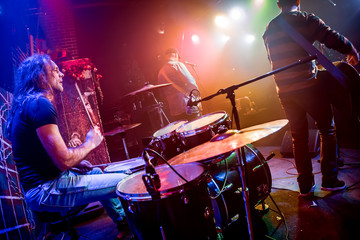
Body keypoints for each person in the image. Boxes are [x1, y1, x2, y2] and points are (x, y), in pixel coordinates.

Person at [5, 54, 130, 239]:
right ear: (41, 77)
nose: (61, 74)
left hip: (40, 188)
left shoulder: (26, 105)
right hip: (46, 190)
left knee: (95, 173)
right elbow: (63, 161)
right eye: (55, 70)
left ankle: (123, 223)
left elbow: (41, 155)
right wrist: (90, 143)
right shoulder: (40, 104)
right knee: (126, 181)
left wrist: (77, 164)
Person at [263, 0, 359, 196]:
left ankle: (305, 186)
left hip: (284, 91)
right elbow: (333, 38)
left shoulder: (270, 28)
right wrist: (352, 50)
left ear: (278, 4)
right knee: (327, 129)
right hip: (307, 86)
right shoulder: (305, 19)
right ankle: (330, 180)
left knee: (299, 137)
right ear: (298, 1)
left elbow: (272, 59)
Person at [158, 48, 202, 122]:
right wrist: (198, 97)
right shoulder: (178, 65)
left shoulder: (161, 72)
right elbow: (190, 82)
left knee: (184, 131)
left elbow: (161, 93)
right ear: (175, 55)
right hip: (187, 105)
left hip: (174, 110)